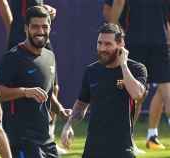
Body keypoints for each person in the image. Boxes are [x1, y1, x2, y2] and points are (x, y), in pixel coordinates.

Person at [0, 6, 71, 158]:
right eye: (35, 27)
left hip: (46, 139)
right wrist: (24, 91)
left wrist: (61, 111)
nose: (40, 31)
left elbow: (46, 92)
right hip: (21, 141)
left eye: (44, 26)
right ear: (26, 28)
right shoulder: (13, 57)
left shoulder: (50, 56)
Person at [61, 23, 147, 158]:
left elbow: (137, 94)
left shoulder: (136, 69)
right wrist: (68, 125)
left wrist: (123, 65)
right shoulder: (91, 71)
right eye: (99, 43)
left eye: (108, 44)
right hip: (93, 149)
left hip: (122, 149)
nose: (102, 48)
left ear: (120, 44)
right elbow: (81, 104)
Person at [106, 0, 170, 150]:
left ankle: (125, 141)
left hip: (140, 42)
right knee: (153, 93)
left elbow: (119, 3)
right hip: (156, 41)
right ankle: (125, 140)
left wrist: (112, 33)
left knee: (138, 94)